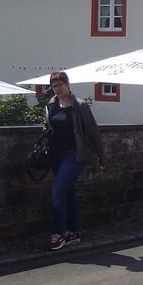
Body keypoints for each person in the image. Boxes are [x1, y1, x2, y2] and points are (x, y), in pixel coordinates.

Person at [44, 70, 105, 251]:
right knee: (67, 192)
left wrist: (101, 156)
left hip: (75, 155)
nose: (56, 88)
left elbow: (93, 133)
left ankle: (59, 233)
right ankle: (74, 231)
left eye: (59, 84)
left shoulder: (80, 106)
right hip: (57, 156)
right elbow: (49, 128)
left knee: (57, 189)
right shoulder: (51, 105)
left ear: (67, 84)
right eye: (54, 85)